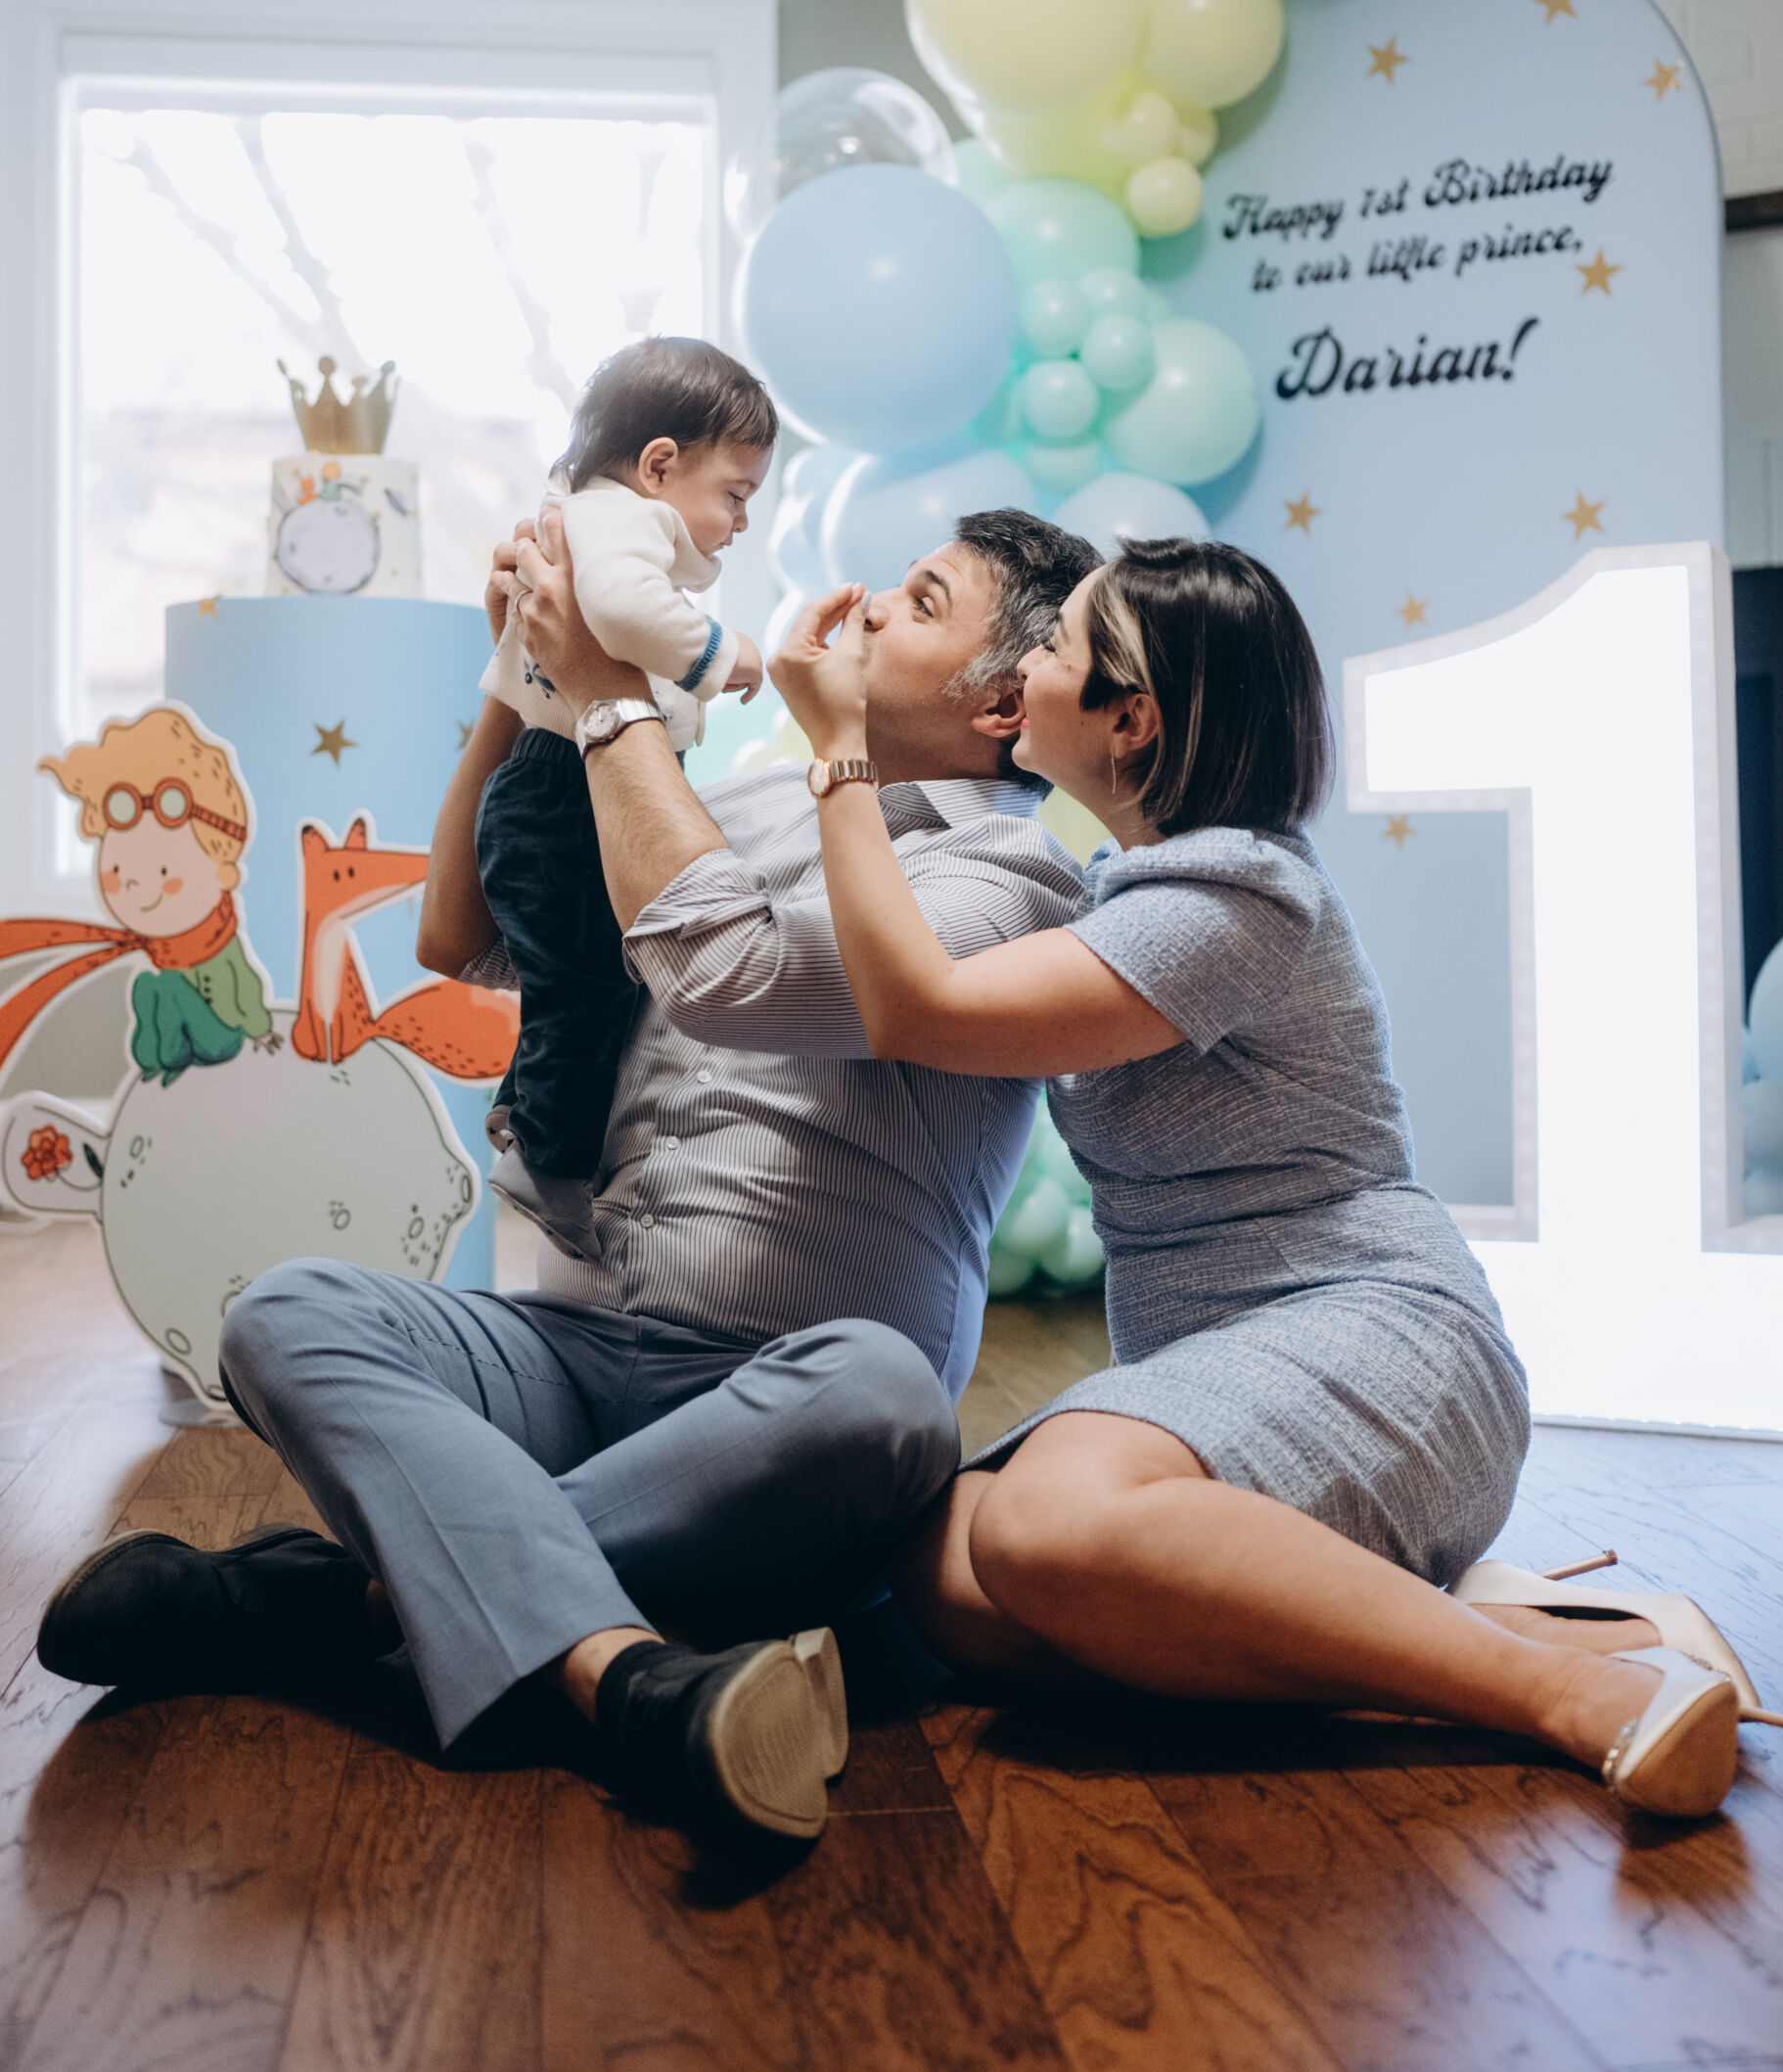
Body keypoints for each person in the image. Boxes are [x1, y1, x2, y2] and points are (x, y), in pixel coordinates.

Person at [36, 505, 1101, 1845]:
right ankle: (612, 1662)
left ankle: (347, 1601)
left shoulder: (1017, 884)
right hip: (577, 1353)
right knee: (283, 1312)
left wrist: (609, 703)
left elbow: (733, 975)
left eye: (924, 602)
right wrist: (521, 681)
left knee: (888, 1399)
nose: (871, 606)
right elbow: (461, 934)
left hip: (778, 1406)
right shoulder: (734, 799)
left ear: (999, 704)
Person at [768, 537, 1783, 1821]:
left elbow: (914, 1011)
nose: (1027, 664)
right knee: (946, 1577)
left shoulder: (1238, 895)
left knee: (1041, 1526)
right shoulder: (1129, 889)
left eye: (1057, 647)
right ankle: (1484, 1634)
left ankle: (1575, 1691)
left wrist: (841, 753)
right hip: (1225, 1366)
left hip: (1387, 1343)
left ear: (1130, 720)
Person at [476, 336, 774, 1257]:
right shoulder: (618, 524)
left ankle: (526, 1115)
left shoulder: (589, 519)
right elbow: (622, 610)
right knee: (589, 981)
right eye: (736, 494)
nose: (741, 522)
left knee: (576, 981)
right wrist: (726, 655)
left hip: (548, 780)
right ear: (658, 465)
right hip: (563, 787)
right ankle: (549, 1163)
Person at [4, 708, 275, 1086]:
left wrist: (261, 1029)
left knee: (169, 984)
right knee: (147, 986)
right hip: (184, 1040)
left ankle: (167, 1054)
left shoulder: (220, 942)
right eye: (118, 872)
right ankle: (153, 1058)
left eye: (164, 872)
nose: (134, 886)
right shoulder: (161, 951)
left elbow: (246, 984)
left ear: (220, 866)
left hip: (223, 1037)